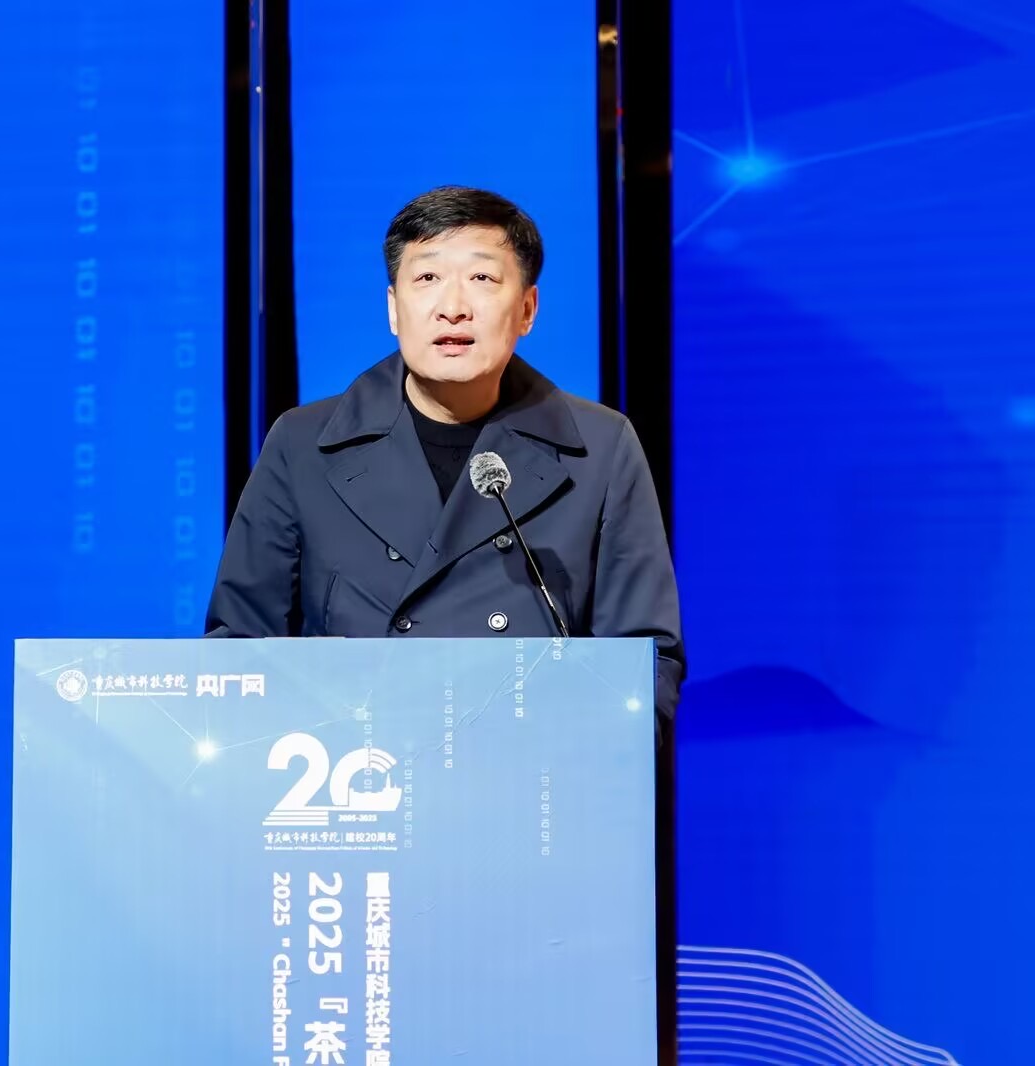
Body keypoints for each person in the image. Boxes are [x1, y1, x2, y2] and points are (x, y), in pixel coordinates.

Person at [205, 186, 685, 723]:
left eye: (482, 279)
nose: (453, 309)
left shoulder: (599, 448)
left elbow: (644, 663)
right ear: (394, 308)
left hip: (527, 763)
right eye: (428, 278)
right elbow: (239, 651)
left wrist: (577, 754)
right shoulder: (302, 443)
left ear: (527, 309)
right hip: (355, 762)